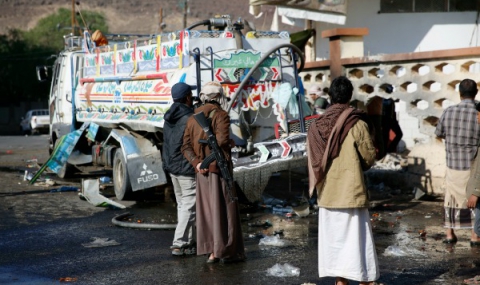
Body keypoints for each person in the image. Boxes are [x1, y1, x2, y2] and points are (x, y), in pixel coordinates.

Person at [307, 76, 380, 285]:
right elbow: (368, 157)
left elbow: (313, 160)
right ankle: (364, 280)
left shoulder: (316, 126)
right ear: (350, 96)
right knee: (356, 240)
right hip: (351, 190)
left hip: (328, 192)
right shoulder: (356, 123)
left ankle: (341, 280)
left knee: (335, 240)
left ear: (330, 96)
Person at [181, 81, 245, 264]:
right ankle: (226, 251)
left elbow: (185, 146)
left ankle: (211, 251)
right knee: (226, 210)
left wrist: (197, 163)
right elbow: (222, 140)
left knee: (208, 212)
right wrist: (228, 145)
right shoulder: (221, 115)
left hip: (202, 172)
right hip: (219, 171)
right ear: (217, 97)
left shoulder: (193, 118)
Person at [435, 78, 480, 245]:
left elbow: (439, 132)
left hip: (453, 164)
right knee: (476, 199)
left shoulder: (448, 111)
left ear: (460, 94)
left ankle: (449, 234)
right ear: (476, 93)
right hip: (474, 166)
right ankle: (475, 236)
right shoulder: (478, 112)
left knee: (451, 198)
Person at [162, 82, 197, 256]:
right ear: (187, 98)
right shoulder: (190, 118)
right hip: (185, 168)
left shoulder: (169, 116)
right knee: (189, 206)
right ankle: (179, 243)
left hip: (172, 167)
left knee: (183, 205)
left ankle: (188, 242)